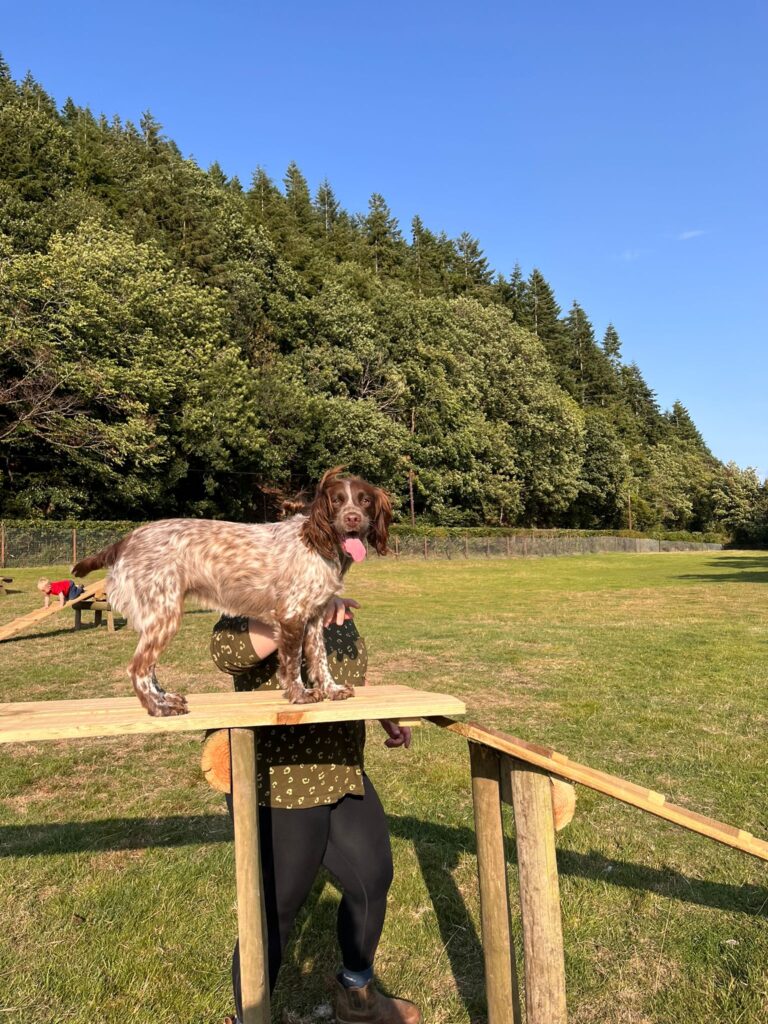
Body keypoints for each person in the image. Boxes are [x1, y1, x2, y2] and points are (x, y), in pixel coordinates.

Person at [209, 596, 422, 1024]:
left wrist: (379, 712)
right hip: (279, 779)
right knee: (277, 906)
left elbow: (346, 670)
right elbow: (228, 654)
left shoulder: (336, 605)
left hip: (341, 767)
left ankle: (356, 995)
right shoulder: (253, 600)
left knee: (372, 878)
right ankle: (247, 1019)